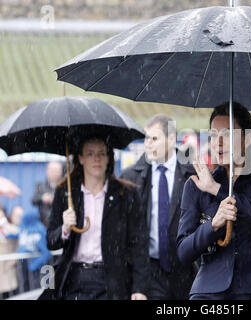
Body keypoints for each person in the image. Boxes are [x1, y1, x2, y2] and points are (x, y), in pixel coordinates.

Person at [176, 102, 251, 300]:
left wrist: (216, 190)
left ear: (247, 139)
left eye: (227, 135)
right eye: (213, 136)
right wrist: (212, 225)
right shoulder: (196, 185)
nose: (218, 143)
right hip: (208, 292)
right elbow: (184, 252)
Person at [43, 135, 148, 300]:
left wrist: (139, 288)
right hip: (74, 278)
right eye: (90, 154)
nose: (96, 159)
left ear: (108, 158)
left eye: (102, 153)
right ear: (81, 158)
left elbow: (139, 245)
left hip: (112, 281)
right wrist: (65, 228)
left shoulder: (126, 194)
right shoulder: (65, 192)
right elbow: (51, 241)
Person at [120, 114, 197, 300]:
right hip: (150, 271)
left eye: (154, 138)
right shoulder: (131, 177)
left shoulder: (193, 174)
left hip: (186, 270)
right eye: (147, 138)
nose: (148, 144)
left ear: (171, 139)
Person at [32, 161, 63, 228]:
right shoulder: (40, 186)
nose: (54, 173)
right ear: (47, 171)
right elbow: (33, 200)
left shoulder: (65, 186)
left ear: (61, 172)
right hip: (44, 222)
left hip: (60, 222)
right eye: (52, 170)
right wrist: (42, 198)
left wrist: (56, 200)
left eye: (57, 170)